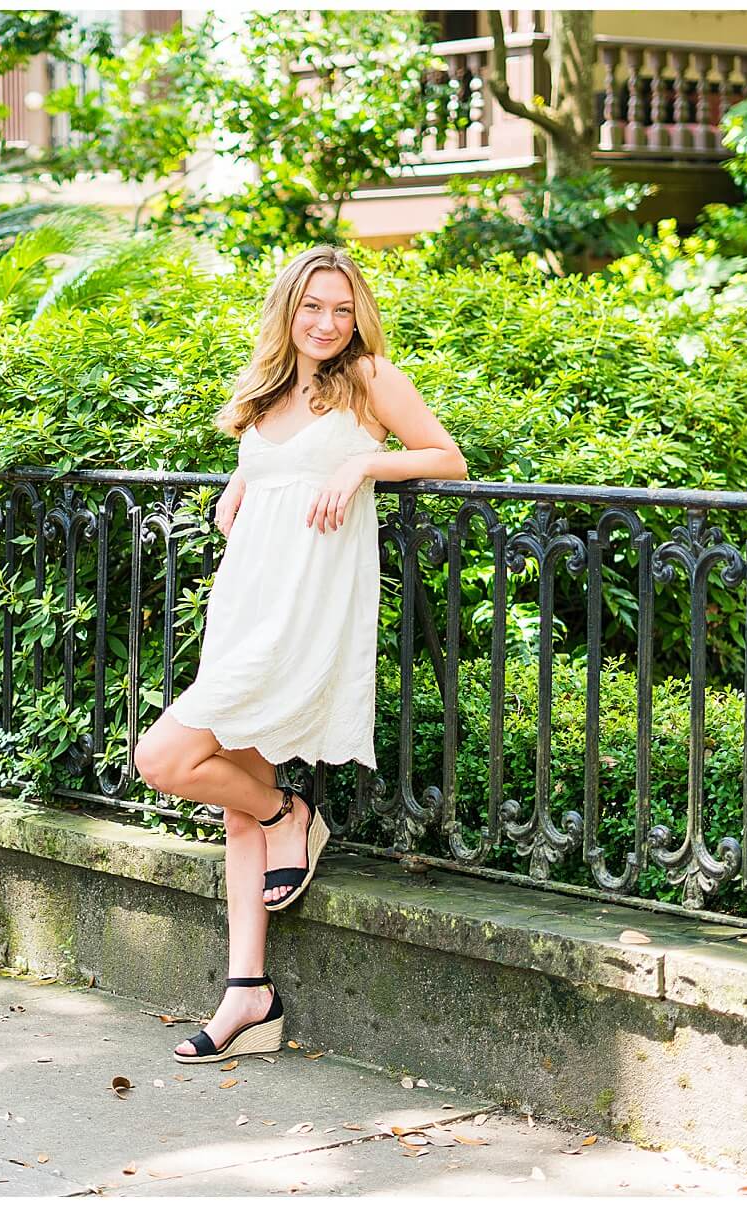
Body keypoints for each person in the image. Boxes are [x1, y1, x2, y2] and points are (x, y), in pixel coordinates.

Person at [132, 245, 467, 1064]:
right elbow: (267, 473)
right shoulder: (264, 388)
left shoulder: (371, 377)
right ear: (288, 308)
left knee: (162, 755)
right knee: (235, 798)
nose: (327, 322)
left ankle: (294, 814)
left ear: (358, 317)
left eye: (342, 309)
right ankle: (248, 989)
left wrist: (360, 463)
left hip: (304, 610)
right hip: (246, 601)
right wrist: (235, 491)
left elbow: (448, 458)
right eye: (313, 306)